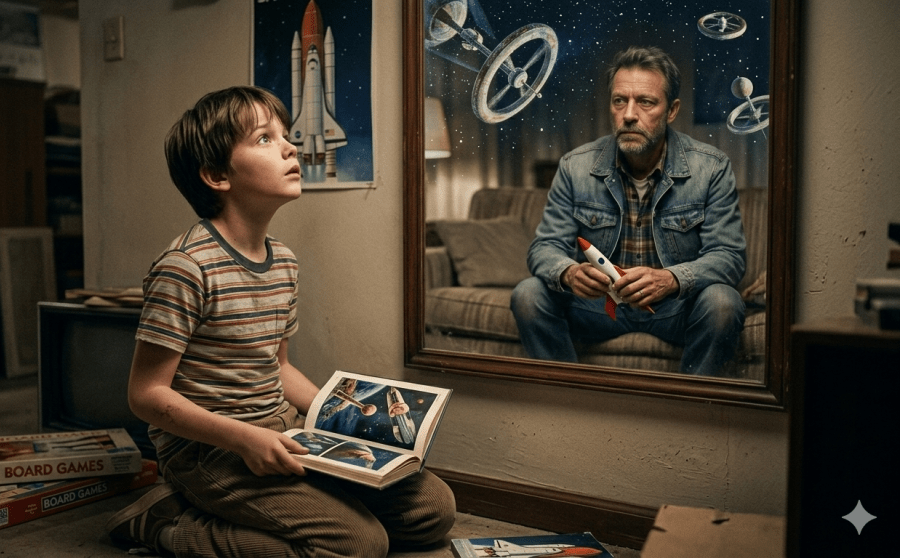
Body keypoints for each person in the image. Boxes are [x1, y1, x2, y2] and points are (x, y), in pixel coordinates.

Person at [105, 86, 455, 557]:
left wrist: (341, 418)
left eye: (286, 134)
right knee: (360, 545)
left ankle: (285, 506)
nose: (291, 146)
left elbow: (278, 367)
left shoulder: (283, 262)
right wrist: (244, 438)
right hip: (210, 450)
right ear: (215, 175)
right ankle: (168, 523)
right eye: (265, 138)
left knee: (432, 508)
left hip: (280, 428)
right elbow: (146, 396)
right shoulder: (185, 267)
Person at [510, 46, 746, 376]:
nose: (629, 114)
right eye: (620, 101)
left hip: (674, 310)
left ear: (672, 110)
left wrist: (671, 279)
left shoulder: (711, 167)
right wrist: (569, 272)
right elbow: (544, 248)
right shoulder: (575, 166)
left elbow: (729, 255)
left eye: (646, 102)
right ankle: (564, 404)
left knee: (723, 302)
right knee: (528, 293)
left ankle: (691, 417)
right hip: (599, 309)